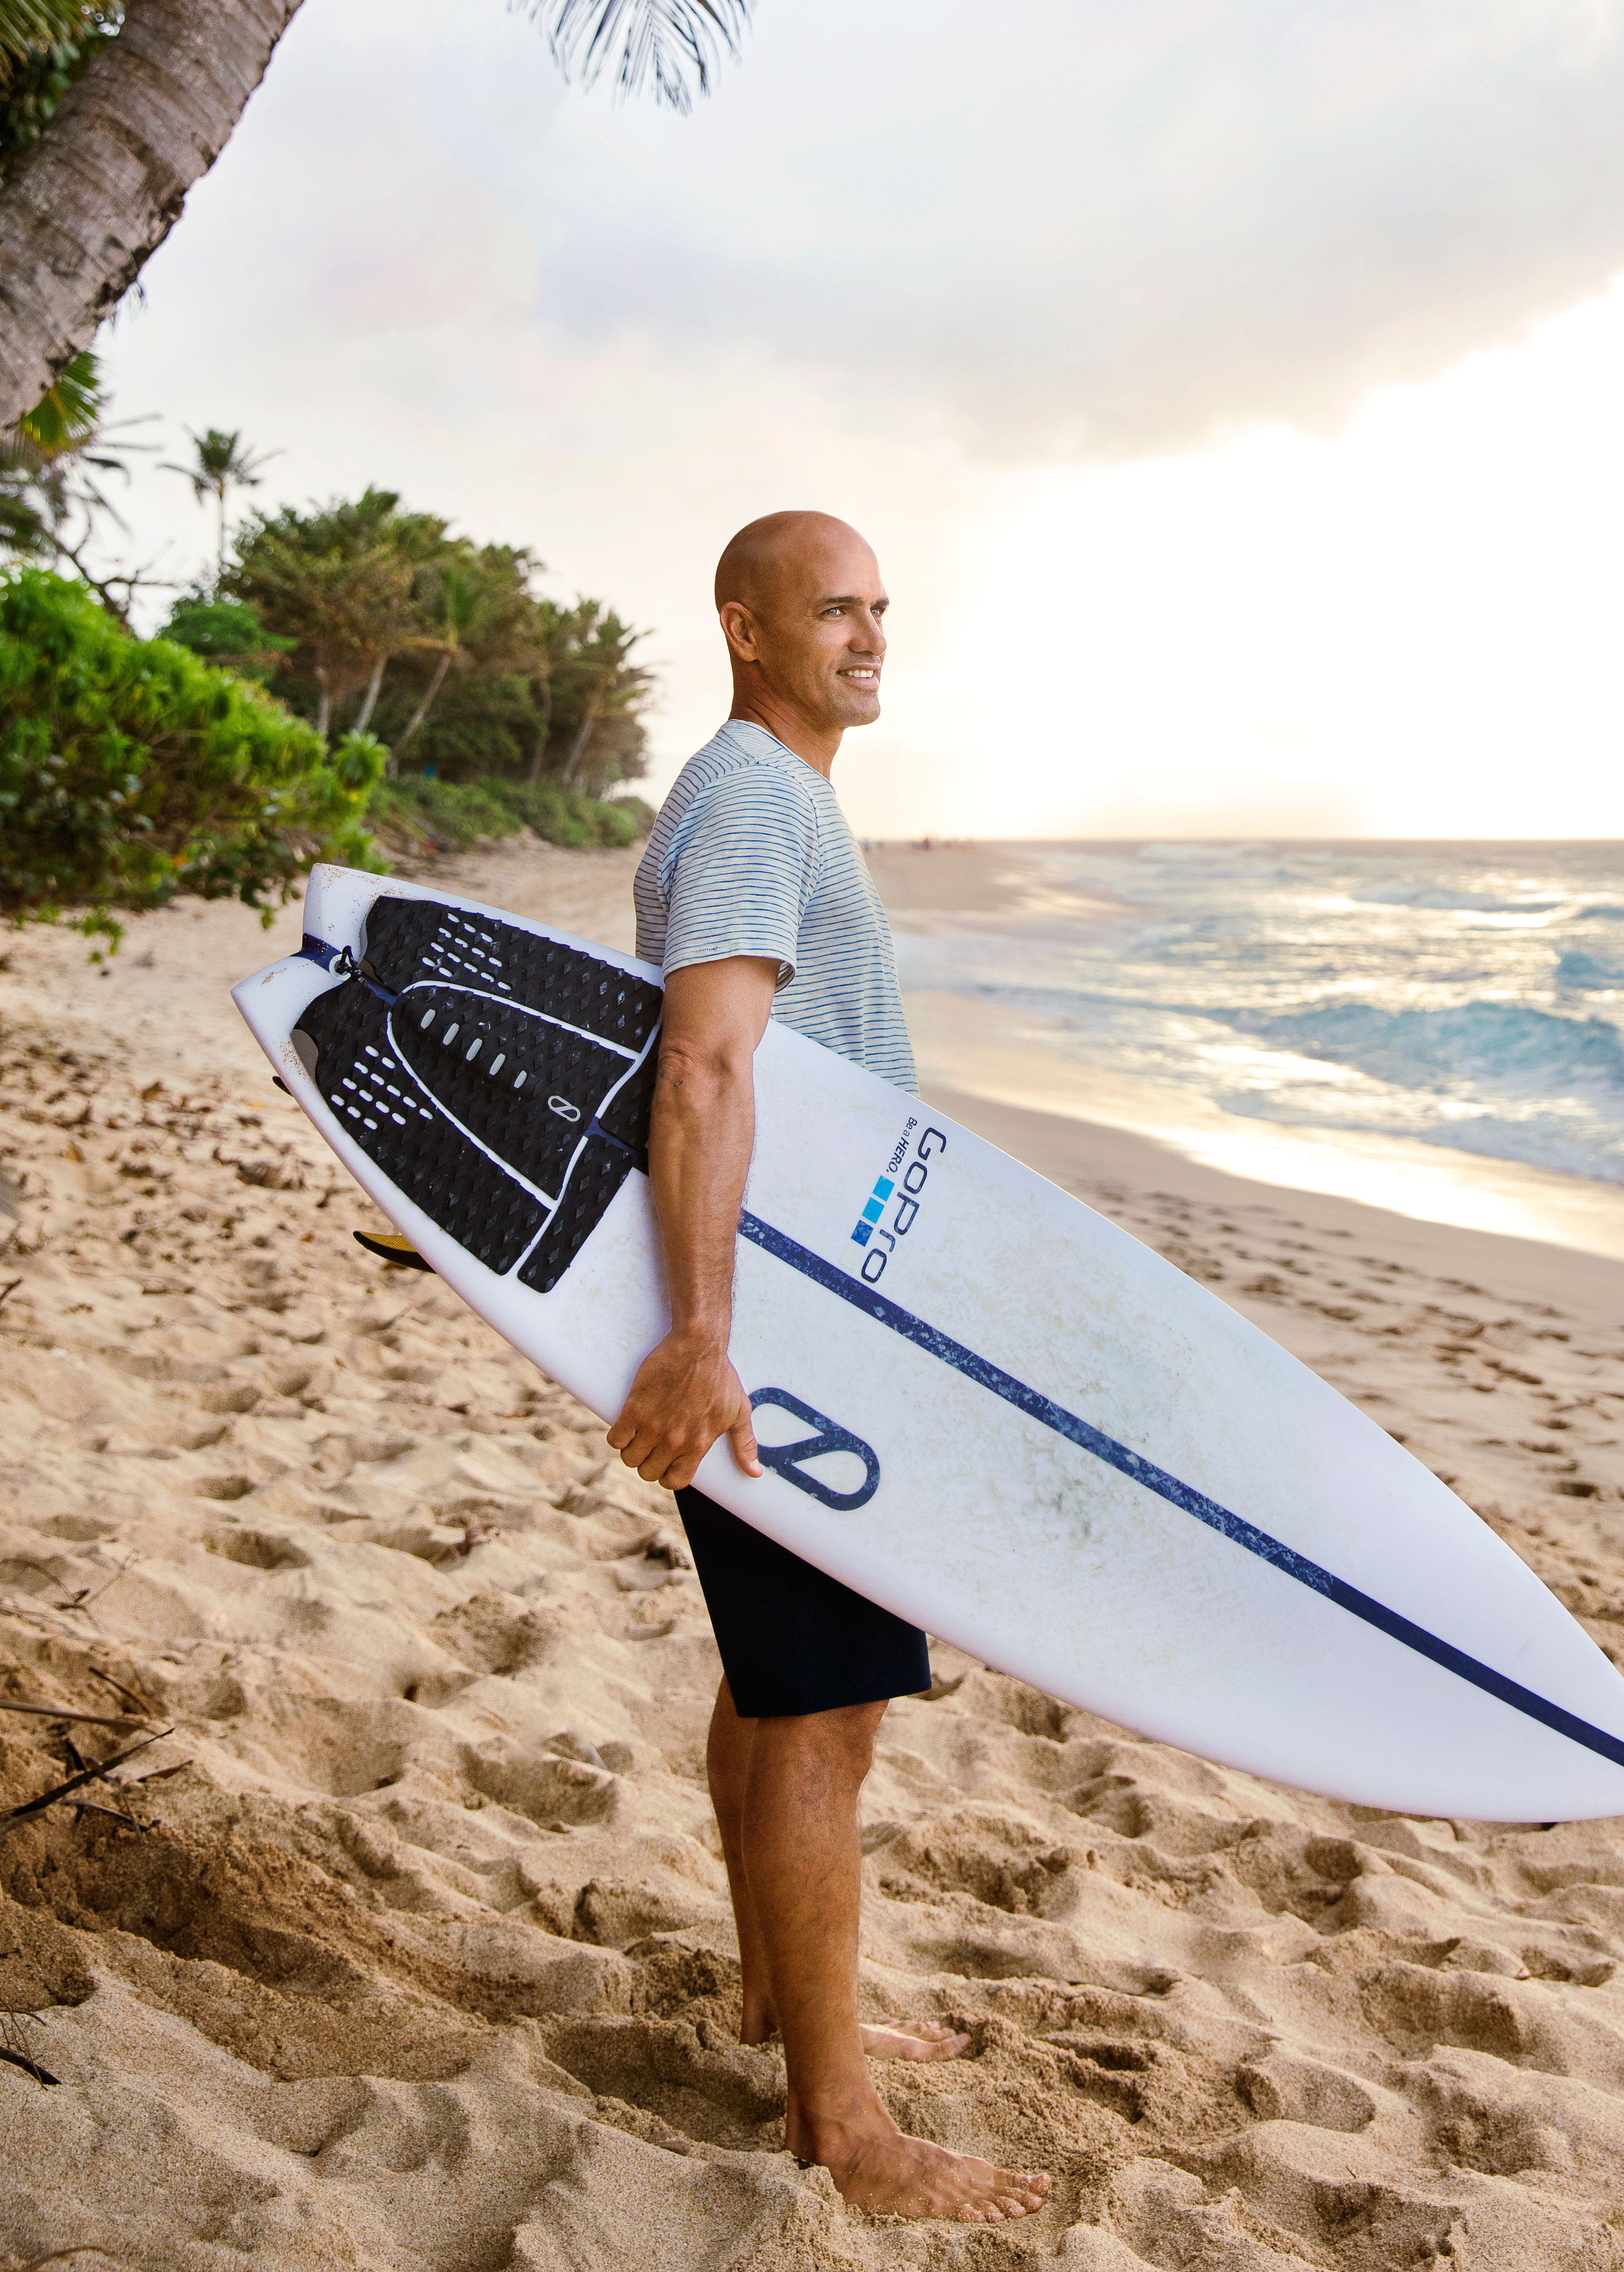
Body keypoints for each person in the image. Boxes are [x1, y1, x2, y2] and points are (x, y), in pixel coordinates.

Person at [611, 510, 1050, 2224]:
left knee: (782, 1680)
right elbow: (704, 1067)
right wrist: (704, 1334)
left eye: (880, 608)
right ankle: (841, 2129)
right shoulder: (748, 796)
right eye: (833, 609)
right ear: (743, 624)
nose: (870, 635)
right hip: (775, 1323)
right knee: (821, 1702)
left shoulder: (782, 796)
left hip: (805, 1306)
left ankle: (778, 1997)